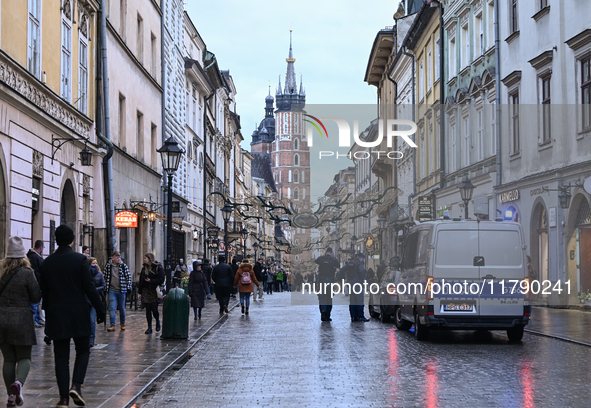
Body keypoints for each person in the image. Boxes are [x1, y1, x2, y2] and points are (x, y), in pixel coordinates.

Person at [40, 225, 105, 407]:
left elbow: (44, 291)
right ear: (72, 240)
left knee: (60, 356)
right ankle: (76, 385)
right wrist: (100, 310)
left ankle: (63, 399)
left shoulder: (47, 263)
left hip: (56, 314)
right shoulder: (79, 260)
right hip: (78, 312)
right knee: (83, 350)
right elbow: (89, 288)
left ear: (56, 240)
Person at [0, 236, 41, 408]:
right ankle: (19, 383)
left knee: (8, 359)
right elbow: (36, 296)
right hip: (22, 319)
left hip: (2, 319)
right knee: (24, 357)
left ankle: (10, 396)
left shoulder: (1, 272)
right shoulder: (27, 273)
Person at [103, 251, 132, 332]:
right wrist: (105, 288)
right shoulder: (108, 266)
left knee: (122, 308)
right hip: (112, 290)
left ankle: (122, 323)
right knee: (112, 308)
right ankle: (112, 324)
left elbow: (128, 277)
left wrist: (129, 287)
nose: (118, 259)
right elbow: (104, 277)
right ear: (113, 258)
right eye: (117, 257)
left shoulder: (123, 266)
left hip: (121, 290)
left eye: (119, 257)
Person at [138, 254, 165, 334]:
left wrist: (151, 281)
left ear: (150, 259)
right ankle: (149, 327)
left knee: (154, 309)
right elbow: (141, 281)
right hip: (146, 290)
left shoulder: (157, 267)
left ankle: (157, 321)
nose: (144, 259)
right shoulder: (144, 269)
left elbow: (161, 279)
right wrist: (140, 293)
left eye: (145, 258)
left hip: (154, 290)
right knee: (148, 309)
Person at [315, 248, 341, 322]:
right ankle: (328, 315)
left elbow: (316, 261)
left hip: (321, 281)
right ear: (332, 252)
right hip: (330, 281)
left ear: (326, 252)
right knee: (329, 298)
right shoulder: (333, 260)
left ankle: (323, 311)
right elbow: (338, 265)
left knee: (322, 297)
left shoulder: (321, 258)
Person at [87, 258, 105, 347]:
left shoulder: (100, 275)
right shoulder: (86, 275)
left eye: (96, 263)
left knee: (92, 320)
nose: (95, 265)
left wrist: (94, 290)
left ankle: (91, 339)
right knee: (85, 320)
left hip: (95, 300)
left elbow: (103, 286)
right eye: (93, 263)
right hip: (86, 300)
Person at [26, 240, 44, 328]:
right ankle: (34, 320)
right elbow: (36, 269)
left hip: (38, 281)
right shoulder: (34, 256)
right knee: (35, 302)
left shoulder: (33, 256)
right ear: (40, 247)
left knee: (37, 302)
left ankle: (36, 319)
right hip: (37, 281)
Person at [349, 253, 369, 322]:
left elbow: (344, 270)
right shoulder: (359, 264)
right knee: (360, 300)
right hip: (358, 283)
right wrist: (362, 280)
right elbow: (362, 271)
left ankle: (353, 316)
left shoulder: (351, 263)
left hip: (351, 284)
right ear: (361, 258)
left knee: (352, 301)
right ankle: (360, 316)